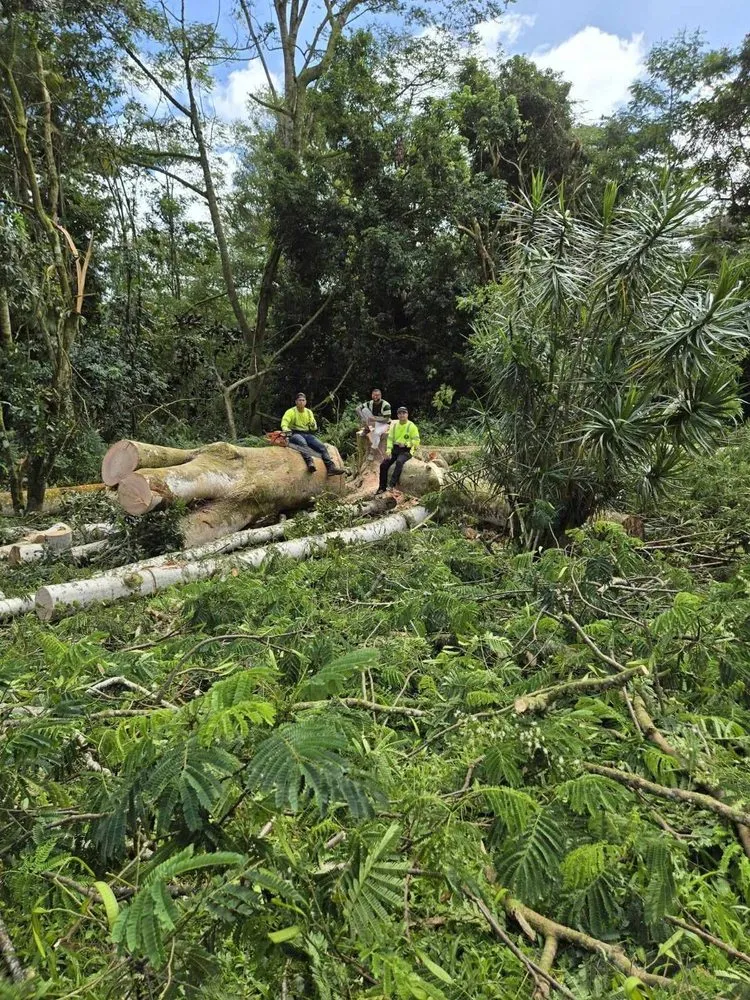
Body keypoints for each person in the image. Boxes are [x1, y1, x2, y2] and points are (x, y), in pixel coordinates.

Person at [280, 393, 344, 476]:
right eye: (299, 400)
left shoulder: (308, 412)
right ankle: (310, 462)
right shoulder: (291, 412)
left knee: (321, 446)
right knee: (302, 442)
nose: (301, 402)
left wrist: (313, 424)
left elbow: (314, 428)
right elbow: (284, 423)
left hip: (306, 433)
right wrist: (286, 430)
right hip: (294, 433)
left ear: (305, 402)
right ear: (296, 402)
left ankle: (330, 468)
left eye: (303, 400)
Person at [376, 406, 420, 493]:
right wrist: (388, 451)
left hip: (407, 450)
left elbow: (417, 441)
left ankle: (392, 484)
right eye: (400, 413)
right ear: (397, 415)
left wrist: (406, 444)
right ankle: (382, 487)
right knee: (383, 464)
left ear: (407, 414)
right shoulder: (395, 426)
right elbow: (390, 439)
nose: (402, 415)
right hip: (395, 450)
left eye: (404, 413)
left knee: (399, 462)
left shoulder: (412, 426)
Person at [357, 388, 392, 456]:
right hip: (373, 422)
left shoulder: (386, 405)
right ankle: (367, 428)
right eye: (374, 395)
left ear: (380, 396)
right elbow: (358, 408)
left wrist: (375, 419)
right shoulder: (370, 403)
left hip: (383, 423)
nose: (375, 397)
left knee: (376, 433)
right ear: (372, 395)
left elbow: (386, 419)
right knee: (364, 410)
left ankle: (372, 452)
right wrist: (362, 418)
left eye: (377, 395)